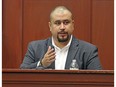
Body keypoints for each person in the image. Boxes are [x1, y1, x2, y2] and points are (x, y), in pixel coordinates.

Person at [20, 6, 102, 70]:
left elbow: (98, 80)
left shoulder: (88, 50)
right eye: (57, 23)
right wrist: (41, 64)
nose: (62, 27)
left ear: (73, 25)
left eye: (66, 22)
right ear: (50, 26)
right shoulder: (35, 47)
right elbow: (22, 73)